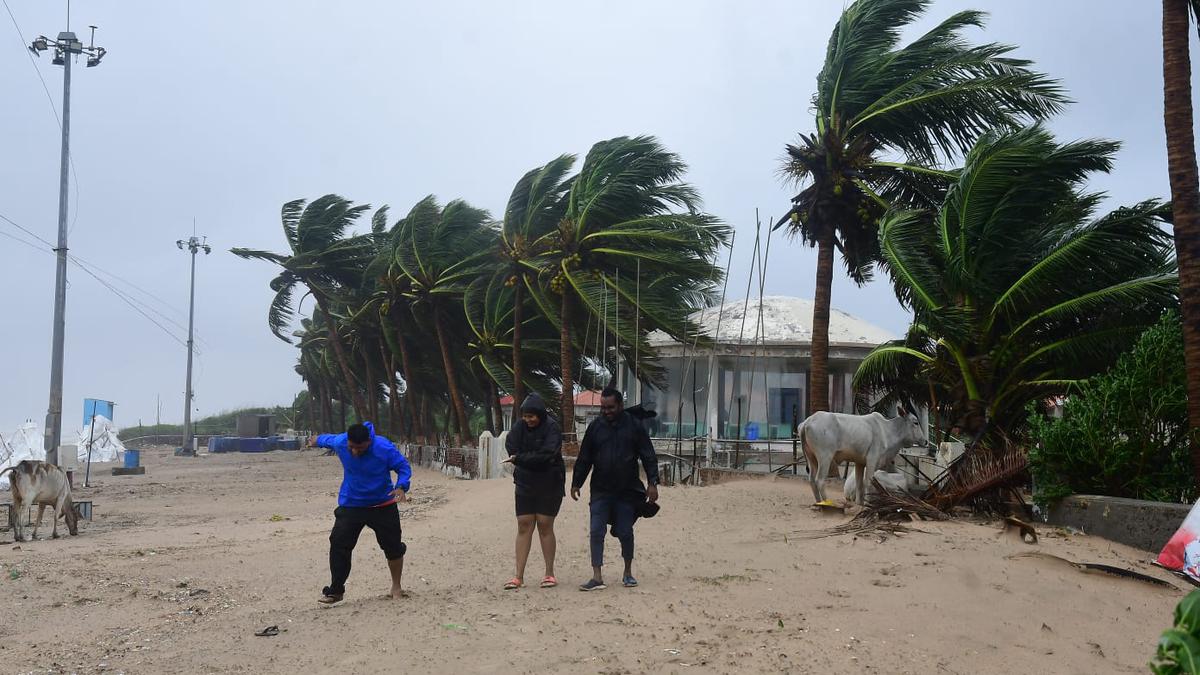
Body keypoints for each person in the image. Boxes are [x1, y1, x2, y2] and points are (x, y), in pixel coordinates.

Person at [307, 421, 411, 604]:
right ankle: (336, 591)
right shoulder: (341, 442)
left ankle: (396, 586)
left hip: (383, 504)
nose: (354, 451)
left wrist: (401, 486)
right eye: (351, 447)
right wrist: (315, 440)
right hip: (352, 504)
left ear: (369, 442)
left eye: (360, 448)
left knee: (393, 547)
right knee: (339, 543)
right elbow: (326, 439)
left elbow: (403, 467)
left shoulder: (384, 447)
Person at [570, 387, 660, 591]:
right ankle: (597, 576)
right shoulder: (595, 427)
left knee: (625, 532)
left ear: (619, 405)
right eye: (603, 408)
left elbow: (648, 455)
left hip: (627, 490)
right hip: (601, 488)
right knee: (596, 531)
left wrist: (652, 482)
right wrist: (577, 482)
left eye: (610, 407)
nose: (606, 411)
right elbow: (585, 458)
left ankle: (628, 572)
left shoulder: (635, 426)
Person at [501, 393, 565, 590]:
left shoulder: (552, 427)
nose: (528, 420)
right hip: (525, 483)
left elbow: (547, 455)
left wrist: (521, 459)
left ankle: (549, 573)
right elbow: (511, 446)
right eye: (525, 416)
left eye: (532, 416)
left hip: (550, 483)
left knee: (545, 525)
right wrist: (526, 458)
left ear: (540, 414)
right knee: (524, 524)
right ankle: (518, 576)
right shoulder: (520, 426)